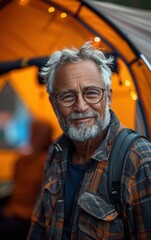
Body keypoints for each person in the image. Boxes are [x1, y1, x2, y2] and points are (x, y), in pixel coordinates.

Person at [27, 41, 151, 240]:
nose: (81, 106)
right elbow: (39, 226)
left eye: (91, 93)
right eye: (67, 96)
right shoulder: (56, 151)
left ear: (108, 97)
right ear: (53, 103)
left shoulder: (138, 158)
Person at [0, 119, 53, 240]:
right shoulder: (21, 161)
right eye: (32, 131)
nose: (32, 136)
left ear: (46, 137)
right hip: (10, 209)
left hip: (27, 218)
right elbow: (16, 186)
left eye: (37, 133)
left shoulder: (49, 163)